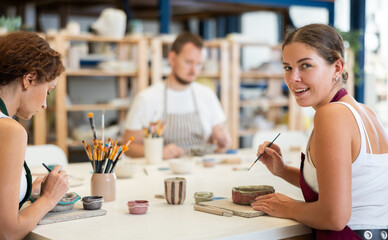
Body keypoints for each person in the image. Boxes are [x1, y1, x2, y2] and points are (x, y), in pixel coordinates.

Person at [251, 24, 388, 239]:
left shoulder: (331, 115)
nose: (293, 78)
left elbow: (334, 216)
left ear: (337, 68)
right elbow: (340, 184)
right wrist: (282, 170)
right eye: (287, 67)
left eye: (305, 65)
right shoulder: (366, 113)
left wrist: (288, 207)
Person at [0, 31, 69, 239]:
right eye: (48, 91)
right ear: (29, 79)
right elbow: (7, 232)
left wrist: (24, 190)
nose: (45, 104)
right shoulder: (10, 130)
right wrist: (48, 198)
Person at [122, 32, 230, 159]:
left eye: (199, 64)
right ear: (172, 58)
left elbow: (216, 136)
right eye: (188, 62)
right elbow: (129, 147)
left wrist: (222, 141)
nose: (194, 70)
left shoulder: (207, 95)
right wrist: (158, 153)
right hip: (162, 173)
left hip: (201, 170)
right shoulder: (147, 98)